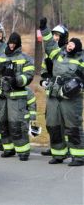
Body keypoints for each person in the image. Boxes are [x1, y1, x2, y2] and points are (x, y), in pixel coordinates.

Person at [39, 17, 84, 166]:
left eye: (73, 45)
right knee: (53, 124)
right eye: (69, 43)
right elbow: (50, 44)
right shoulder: (58, 54)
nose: (70, 46)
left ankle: (78, 156)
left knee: (72, 126)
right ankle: (59, 154)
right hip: (54, 95)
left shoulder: (81, 59)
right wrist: (44, 28)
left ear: (77, 48)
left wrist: (78, 85)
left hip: (72, 98)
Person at [0, 32, 34, 161]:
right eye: (10, 43)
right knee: (2, 123)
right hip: (2, 96)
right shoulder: (1, 57)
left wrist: (15, 80)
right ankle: (8, 148)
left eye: (14, 43)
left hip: (16, 96)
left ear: (18, 44)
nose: (11, 45)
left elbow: (29, 76)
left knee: (17, 124)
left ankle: (23, 151)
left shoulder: (26, 58)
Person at [40, 24, 69, 156]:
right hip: (51, 93)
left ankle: (68, 147)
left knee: (65, 122)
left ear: (63, 37)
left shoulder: (68, 51)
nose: (55, 38)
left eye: (58, 35)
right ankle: (55, 147)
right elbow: (43, 71)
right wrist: (44, 78)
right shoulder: (49, 53)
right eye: (54, 35)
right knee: (51, 121)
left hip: (65, 94)